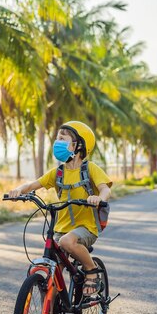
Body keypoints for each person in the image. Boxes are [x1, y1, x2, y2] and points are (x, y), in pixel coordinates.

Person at [8, 121, 112, 295]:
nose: (57, 143)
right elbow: (33, 184)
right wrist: (19, 190)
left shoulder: (90, 169)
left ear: (78, 145)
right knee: (52, 275)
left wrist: (98, 198)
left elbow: (105, 189)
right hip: (60, 228)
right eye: (57, 139)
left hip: (86, 228)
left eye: (62, 139)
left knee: (66, 242)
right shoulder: (58, 172)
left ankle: (91, 270)